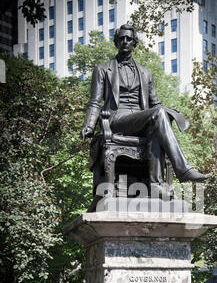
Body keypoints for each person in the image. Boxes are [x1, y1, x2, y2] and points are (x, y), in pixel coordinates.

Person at [80, 24, 210, 196]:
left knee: (158, 125)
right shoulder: (103, 69)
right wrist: (89, 125)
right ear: (116, 42)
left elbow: (155, 103)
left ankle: (156, 185)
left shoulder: (145, 73)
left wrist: (168, 110)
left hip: (141, 120)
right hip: (117, 120)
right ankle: (184, 170)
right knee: (159, 114)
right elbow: (95, 101)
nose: (125, 42)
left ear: (135, 43)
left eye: (129, 39)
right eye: (121, 38)